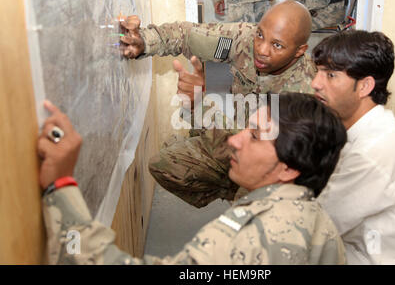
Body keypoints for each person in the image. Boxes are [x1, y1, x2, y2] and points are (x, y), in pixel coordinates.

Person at [39, 93, 348, 264]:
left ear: (288, 169)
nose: (235, 140)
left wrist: (62, 186)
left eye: (254, 136)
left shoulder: (248, 238)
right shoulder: (319, 222)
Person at [120, 0, 316, 208]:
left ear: (299, 50)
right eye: (260, 34)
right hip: (236, 138)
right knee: (167, 163)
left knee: (252, 214)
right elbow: (187, 36)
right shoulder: (244, 40)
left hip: (271, 168)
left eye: (277, 45)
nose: (261, 49)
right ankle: (231, 188)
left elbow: (272, 159)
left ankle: (241, 193)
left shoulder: (306, 93)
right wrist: (144, 40)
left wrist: (200, 106)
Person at [311, 30, 395, 264]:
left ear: (365, 86)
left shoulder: (375, 151)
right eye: (318, 72)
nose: (315, 83)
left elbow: (317, 225)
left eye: (331, 75)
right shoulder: (379, 128)